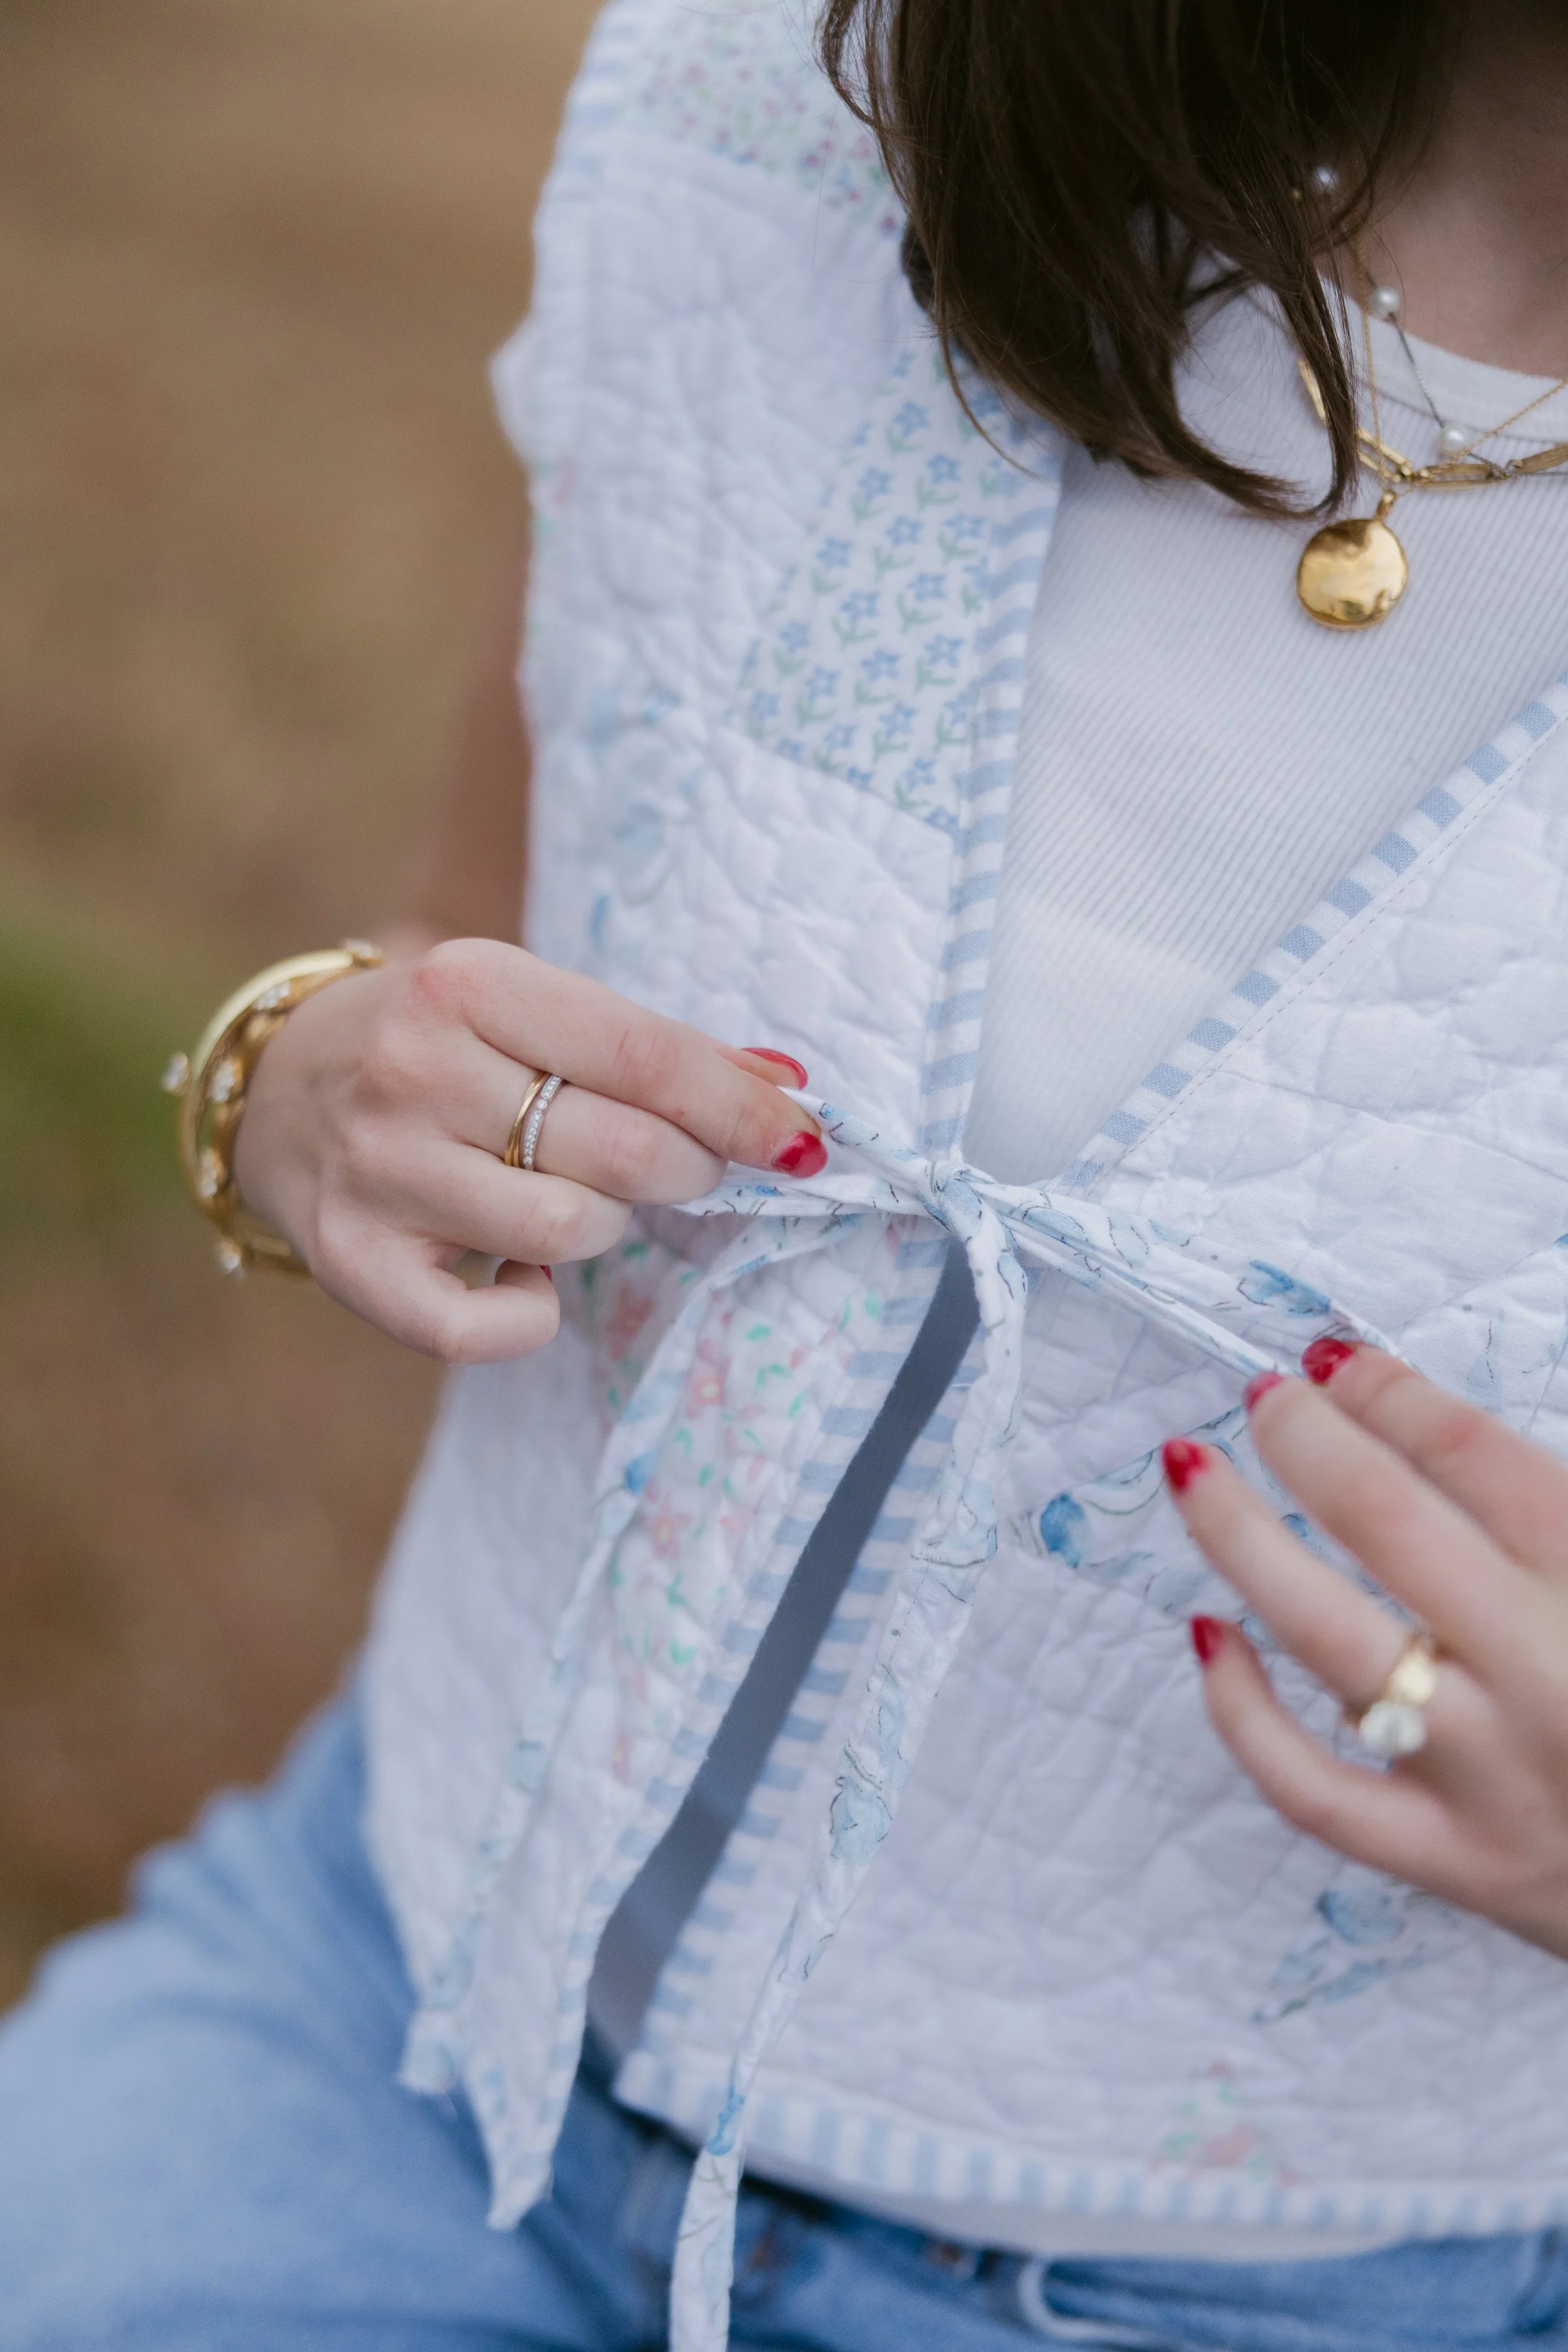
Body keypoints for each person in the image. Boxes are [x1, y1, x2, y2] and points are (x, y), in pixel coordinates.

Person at [8, 0, 1568, 2344]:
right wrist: (303, 1073)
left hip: (1303, 2272)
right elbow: (459, 929)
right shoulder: (773, 117)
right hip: (384, 2020)